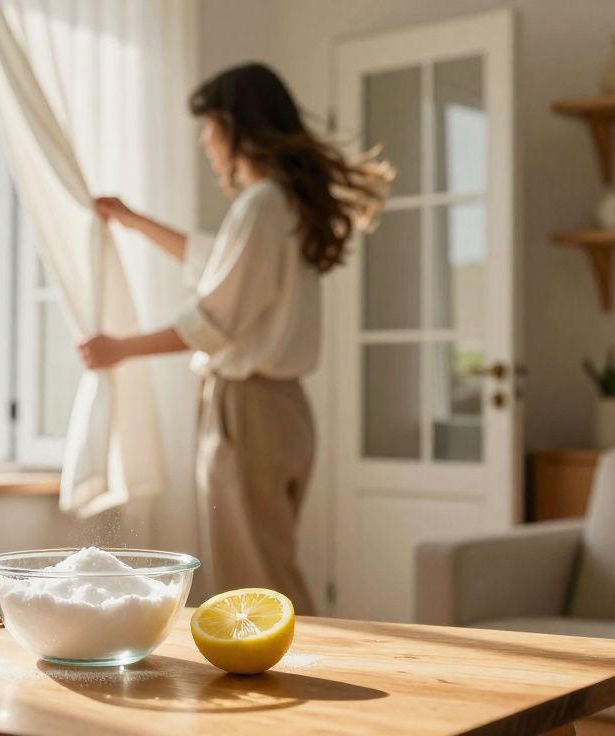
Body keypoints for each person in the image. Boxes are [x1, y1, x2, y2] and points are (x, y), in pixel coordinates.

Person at [79, 63, 390, 612]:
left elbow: (212, 322)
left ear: (233, 126)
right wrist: (135, 221)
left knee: (256, 581)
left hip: (249, 409)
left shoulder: (262, 205)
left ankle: (302, 687)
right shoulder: (281, 204)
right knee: (267, 568)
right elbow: (218, 265)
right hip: (282, 410)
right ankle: (300, 683)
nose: (204, 142)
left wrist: (119, 349)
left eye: (208, 127)